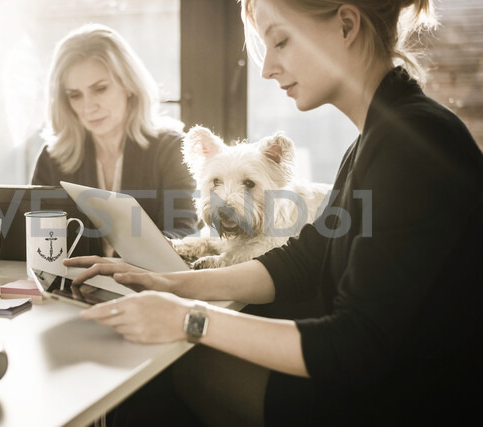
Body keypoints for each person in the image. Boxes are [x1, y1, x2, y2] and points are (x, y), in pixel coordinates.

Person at [65, 0, 483, 425]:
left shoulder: (412, 143)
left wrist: (187, 319)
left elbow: (355, 347)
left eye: (280, 41)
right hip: (373, 384)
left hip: (395, 404)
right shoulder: (374, 139)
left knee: (152, 375)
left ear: (346, 25)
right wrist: (166, 282)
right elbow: (302, 261)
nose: (267, 69)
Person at [31, 23, 199, 256]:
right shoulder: (53, 157)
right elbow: (34, 240)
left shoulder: (172, 149)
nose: (88, 107)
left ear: (129, 84)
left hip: (149, 286)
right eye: (75, 95)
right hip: (70, 288)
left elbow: (186, 234)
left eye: (100, 89)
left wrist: (129, 261)